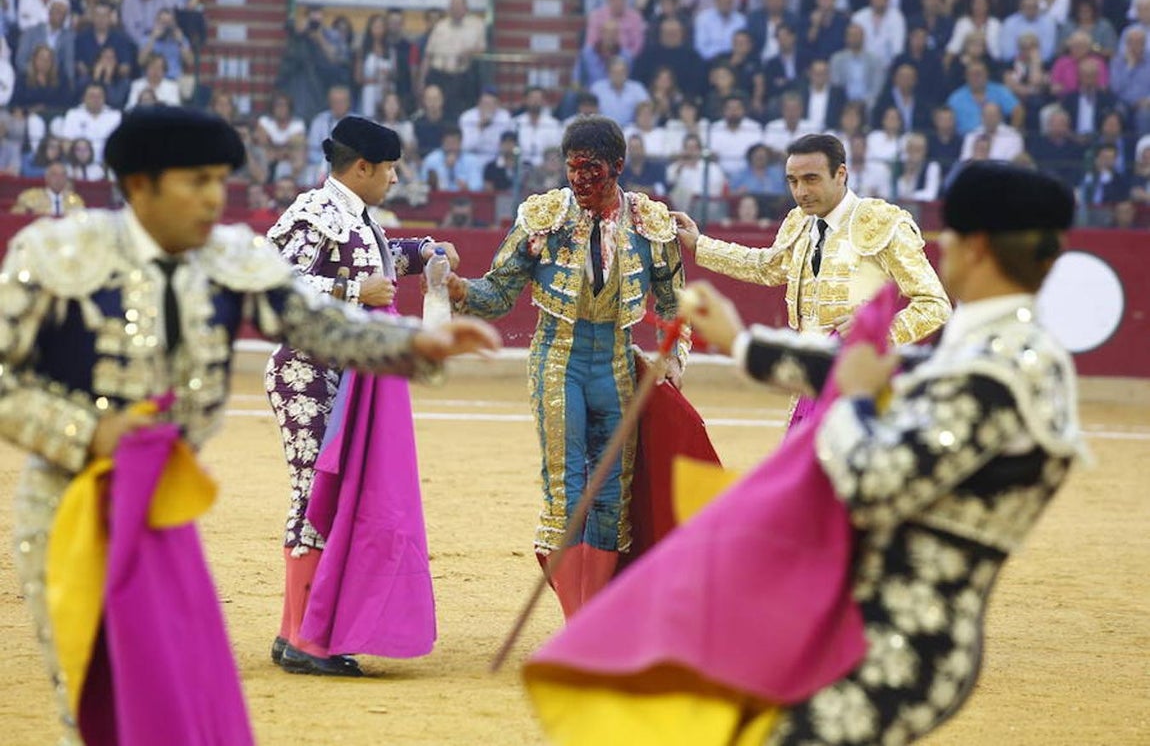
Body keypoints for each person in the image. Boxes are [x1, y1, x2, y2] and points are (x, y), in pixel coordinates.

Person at [0, 105, 499, 744]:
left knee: (174, 685)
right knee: (92, 679)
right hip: (70, 502)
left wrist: (417, 346)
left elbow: (310, 321)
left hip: (165, 503)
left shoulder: (227, 257)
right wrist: (85, 434)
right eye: (197, 182)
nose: (215, 199)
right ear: (140, 186)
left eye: (219, 181)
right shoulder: (53, 252)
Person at [675, 161, 1083, 744]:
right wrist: (742, 343)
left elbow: (866, 479)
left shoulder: (1001, 372)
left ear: (975, 248)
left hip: (899, 649)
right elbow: (889, 369)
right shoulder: (1007, 355)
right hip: (888, 634)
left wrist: (854, 400)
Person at [445, 115, 689, 618]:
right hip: (558, 358)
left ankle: (592, 618)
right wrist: (460, 290)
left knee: (610, 494)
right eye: (572, 168)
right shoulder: (544, 216)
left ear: (617, 167)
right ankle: (577, 620)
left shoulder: (651, 223)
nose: (579, 180)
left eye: (591, 169)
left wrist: (671, 358)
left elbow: (673, 305)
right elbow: (497, 293)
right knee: (568, 489)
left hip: (618, 364)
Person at [264, 116, 462, 676]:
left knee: (322, 495)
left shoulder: (355, 217)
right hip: (305, 370)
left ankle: (294, 632)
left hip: (341, 373)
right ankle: (305, 637)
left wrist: (421, 250)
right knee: (315, 494)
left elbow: (375, 262)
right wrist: (351, 290)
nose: (395, 178)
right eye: (391, 168)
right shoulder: (311, 211)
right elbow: (269, 280)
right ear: (362, 168)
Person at [674, 133, 950, 366]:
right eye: (793, 181)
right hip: (808, 373)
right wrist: (700, 244)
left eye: (811, 179)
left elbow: (935, 305)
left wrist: (876, 331)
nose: (800, 191)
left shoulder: (882, 221)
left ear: (841, 174)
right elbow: (766, 267)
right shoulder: (799, 221)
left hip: (862, 376)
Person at [11, 160, 85, 215]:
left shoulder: (75, 200)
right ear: (46, 178)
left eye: (62, 175)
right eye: (54, 175)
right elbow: (16, 218)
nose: (59, 179)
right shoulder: (30, 196)